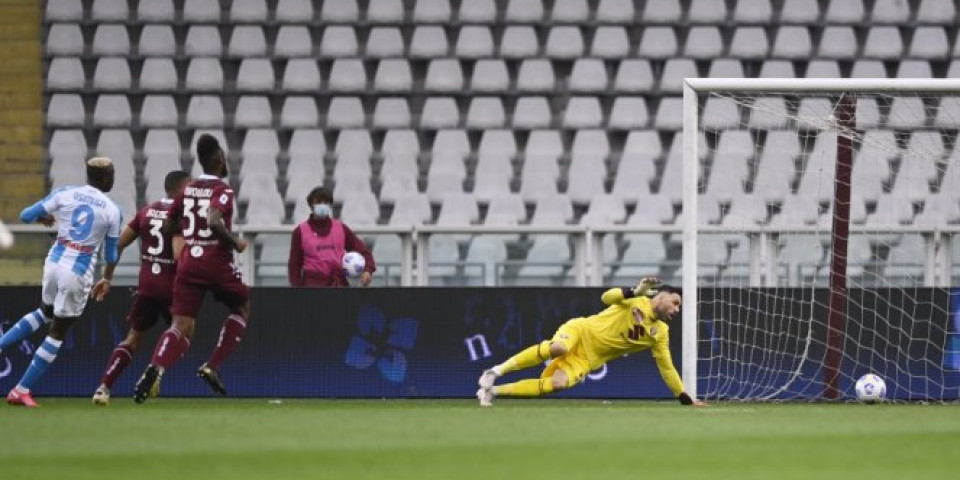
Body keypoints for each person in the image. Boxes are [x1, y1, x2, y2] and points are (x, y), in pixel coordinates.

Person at [132, 134, 250, 403]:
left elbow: (167, 224)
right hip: (216, 261)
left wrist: (186, 237)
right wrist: (236, 242)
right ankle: (212, 365)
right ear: (219, 160)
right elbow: (214, 221)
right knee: (242, 307)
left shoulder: (187, 189)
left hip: (189, 263)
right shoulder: (223, 191)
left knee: (180, 325)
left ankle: (156, 367)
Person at [0, 157, 123, 407]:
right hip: (76, 272)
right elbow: (111, 255)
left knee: (44, 312)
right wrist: (105, 267)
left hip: (53, 263)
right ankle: (20, 390)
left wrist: (45, 219)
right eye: (111, 175)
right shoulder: (112, 210)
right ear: (106, 178)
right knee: (58, 330)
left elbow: (25, 215)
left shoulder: (65, 193)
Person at [476, 277, 706, 407]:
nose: (676, 310)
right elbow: (606, 297)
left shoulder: (660, 333)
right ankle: (495, 371)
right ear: (661, 295)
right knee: (559, 347)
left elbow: (666, 367)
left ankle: (493, 391)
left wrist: (683, 397)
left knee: (556, 384)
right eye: (675, 302)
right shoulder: (637, 299)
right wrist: (635, 290)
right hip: (581, 330)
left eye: (679, 307)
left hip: (587, 359)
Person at [88, 170, 191, 406]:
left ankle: (103, 388)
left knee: (133, 338)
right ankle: (156, 368)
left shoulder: (146, 211)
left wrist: (107, 278)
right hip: (174, 288)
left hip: (147, 287)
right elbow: (179, 255)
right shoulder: (182, 215)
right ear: (179, 189)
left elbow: (117, 244)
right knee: (184, 332)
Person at [287, 186, 375, 287]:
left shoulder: (341, 228)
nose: (322, 205)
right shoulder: (300, 232)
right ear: (311, 205)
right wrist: (296, 291)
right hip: (311, 288)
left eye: (326, 202)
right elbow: (294, 264)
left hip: (338, 286)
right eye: (318, 202)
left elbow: (364, 251)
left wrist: (368, 270)